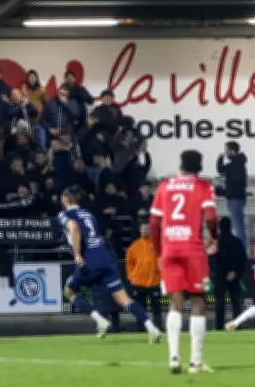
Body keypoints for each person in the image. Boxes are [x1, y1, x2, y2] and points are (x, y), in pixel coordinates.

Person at [59, 186, 162, 343]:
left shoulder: (64, 214)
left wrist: (77, 253)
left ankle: (100, 320)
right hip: (105, 258)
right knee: (123, 299)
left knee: (69, 291)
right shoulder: (89, 214)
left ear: (64, 200)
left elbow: (73, 227)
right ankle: (151, 328)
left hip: (90, 260)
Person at [150, 150, 218, 374]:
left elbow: (154, 223)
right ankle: (195, 362)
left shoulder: (165, 186)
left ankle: (173, 357)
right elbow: (210, 217)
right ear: (199, 167)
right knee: (198, 300)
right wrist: (214, 237)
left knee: (175, 301)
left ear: (181, 164)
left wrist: (159, 252)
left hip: (170, 249)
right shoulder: (204, 187)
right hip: (193, 249)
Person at [125, 220, 162, 332]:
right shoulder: (134, 246)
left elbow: (162, 261)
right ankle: (140, 330)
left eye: (147, 228)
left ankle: (158, 328)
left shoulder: (157, 245)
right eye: (143, 229)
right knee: (140, 309)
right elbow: (129, 263)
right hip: (139, 283)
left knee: (157, 309)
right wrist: (132, 277)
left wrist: (161, 277)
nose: (145, 230)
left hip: (154, 282)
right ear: (140, 230)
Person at [212, 217, 247, 330]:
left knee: (220, 302)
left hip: (220, 277)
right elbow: (243, 260)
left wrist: (222, 274)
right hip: (234, 277)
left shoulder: (216, 243)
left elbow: (213, 260)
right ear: (230, 226)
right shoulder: (237, 242)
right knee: (236, 302)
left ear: (219, 227)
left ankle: (219, 325)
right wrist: (235, 273)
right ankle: (238, 324)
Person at [216, 141, 248, 245]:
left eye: (226, 150)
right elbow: (221, 170)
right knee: (238, 225)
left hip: (236, 198)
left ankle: (242, 252)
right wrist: (220, 159)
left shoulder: (237, 165)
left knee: (238, 226)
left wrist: (224, 191)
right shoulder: (235, 163)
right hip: (235, 198)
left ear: (232, 151)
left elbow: (236, 183)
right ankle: (241, 250)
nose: (225, 152)